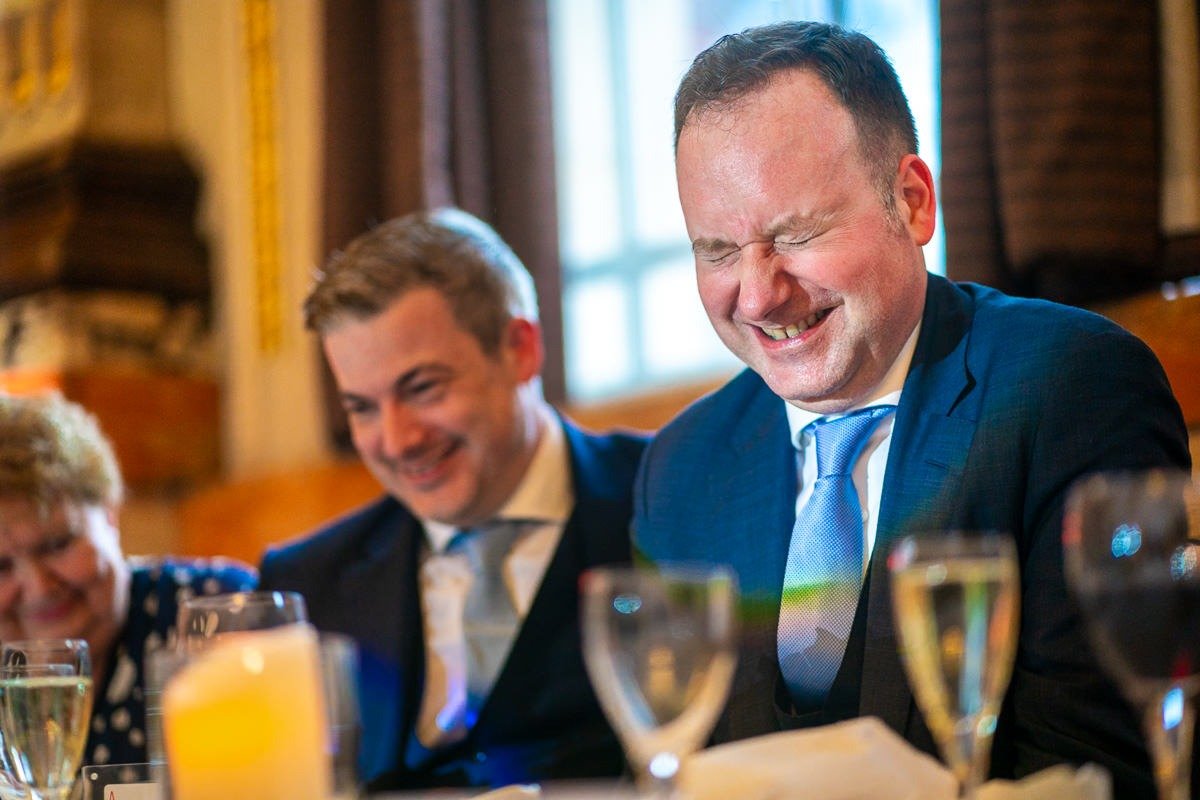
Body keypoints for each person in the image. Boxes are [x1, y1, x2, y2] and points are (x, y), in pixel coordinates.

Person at [632, 20, 1192, 799]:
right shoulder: (680, 469)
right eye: (717, 251)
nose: (757, 295)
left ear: (913, 202)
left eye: (796, 234)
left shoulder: (1068, 387)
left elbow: (1096, 767)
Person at [258, 208, 646, 790]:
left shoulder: (667, 494)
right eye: (362, 407)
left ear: (520, 349)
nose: (396, 440)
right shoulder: (308, 583)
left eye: (423, 388)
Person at [0, 392, 258, 768]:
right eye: (1, 567)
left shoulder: (217, 609)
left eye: (58, 544)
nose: (38, 588)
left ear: (109, 514)